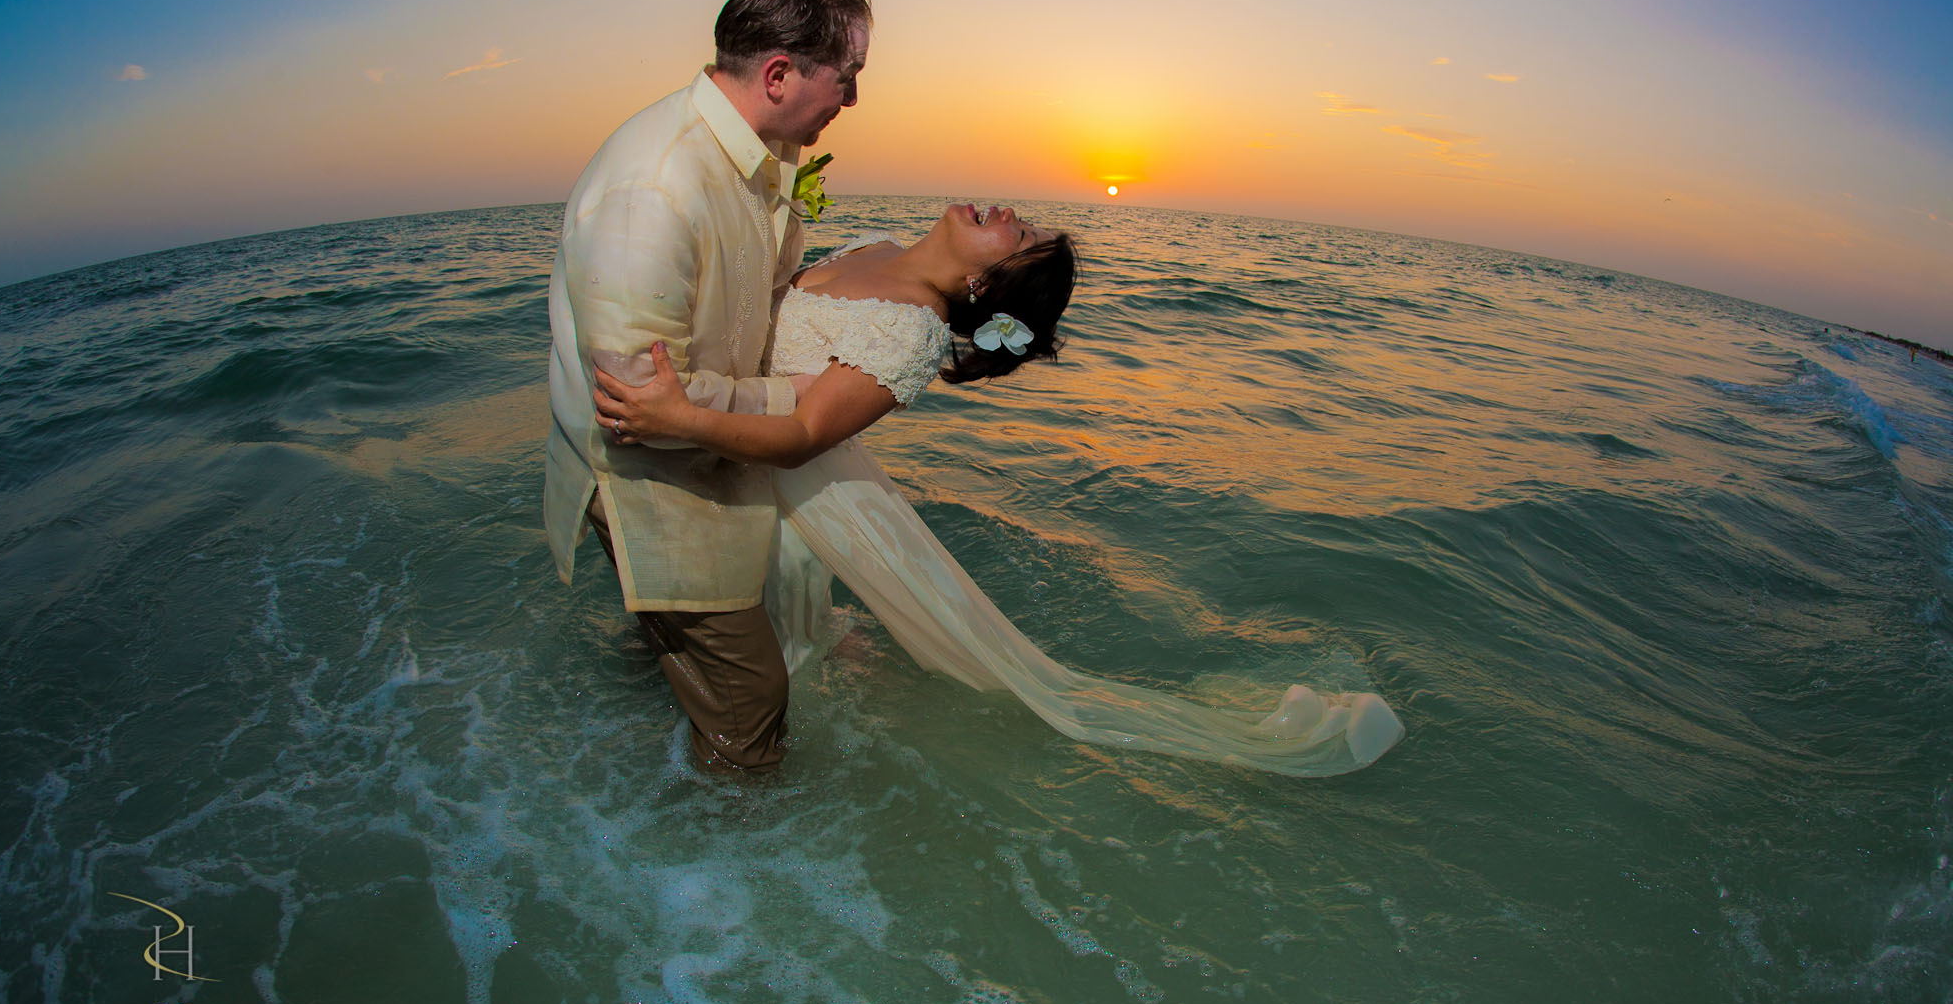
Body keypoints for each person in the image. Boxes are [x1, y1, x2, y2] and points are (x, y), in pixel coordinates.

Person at [595, 206, 1406, 777]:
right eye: (1025, 220)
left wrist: (679, 414)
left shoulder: (909, 330)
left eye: (1020, 233)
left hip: (769, 474)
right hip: (731, 450)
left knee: (747, 663)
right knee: (692, 640)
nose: (1010, 211)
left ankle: (738, 800)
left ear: (987, 282)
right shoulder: (878, 246)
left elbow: (807, 434)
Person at [544, 0, 871, 772]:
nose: (854, 100)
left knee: (694, 655)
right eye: (850, 75)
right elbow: (637, 401)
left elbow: (749, 294)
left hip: (711, 455)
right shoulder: (653, 189)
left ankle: (660, 701)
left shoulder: (762, 157)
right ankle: (730, 872)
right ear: (779, 74)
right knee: (752, 698)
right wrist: (796, 397)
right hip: (653, 482)